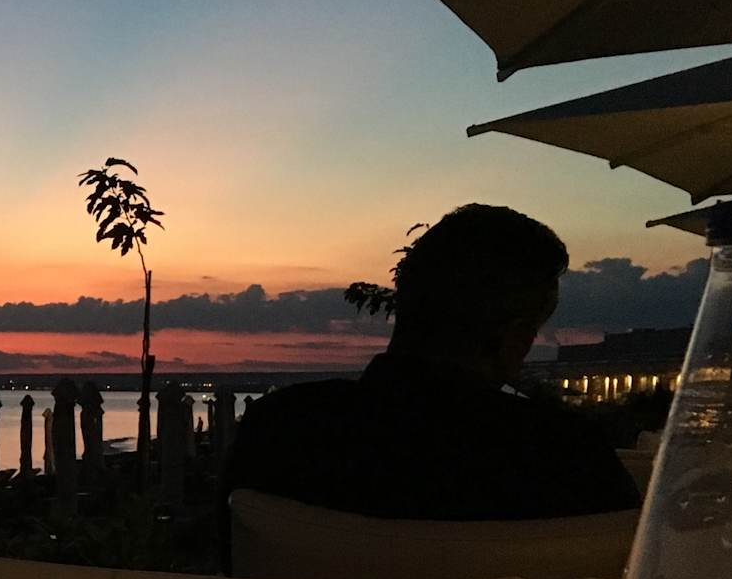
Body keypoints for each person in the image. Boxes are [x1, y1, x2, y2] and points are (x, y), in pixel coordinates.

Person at [224, 203, 640, 523]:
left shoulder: (279, 429)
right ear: (515, 339)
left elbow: (236, 563)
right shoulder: (566, 457)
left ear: (404, 304)